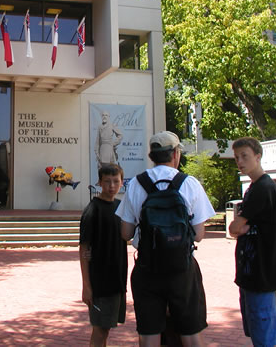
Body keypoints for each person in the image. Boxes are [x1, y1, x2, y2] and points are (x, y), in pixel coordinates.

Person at [116, 131, 215, 347]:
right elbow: (199, 235)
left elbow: (126, 233)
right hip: (182, 269)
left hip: (148, 268)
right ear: (176, 153)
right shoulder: (189, 183)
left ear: (151, 155)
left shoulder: (137, 184)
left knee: (149, 333)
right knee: (190, 332)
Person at [228, 137, 276, 347]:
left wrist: (242, 227)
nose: (240, 161)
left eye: (244, 156)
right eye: (237, 157)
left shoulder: (263, 188)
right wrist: (241, 227)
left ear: (258, 157)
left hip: (260, 272)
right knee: (258, 328)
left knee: (264, 332)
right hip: (251, 272)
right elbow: (237, 228)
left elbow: (234, 228)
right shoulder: (255, 188)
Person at [79, 163, 128, 347]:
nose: (111, 186)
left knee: (106, 328)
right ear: (99, 182)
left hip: (117, 279)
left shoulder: (121, 207)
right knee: (100, 330)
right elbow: (84, 248)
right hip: (100, 281)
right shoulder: (93, 210)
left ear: (122, 182)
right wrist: (86, 286)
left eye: (116, 181)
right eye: (107, 181)